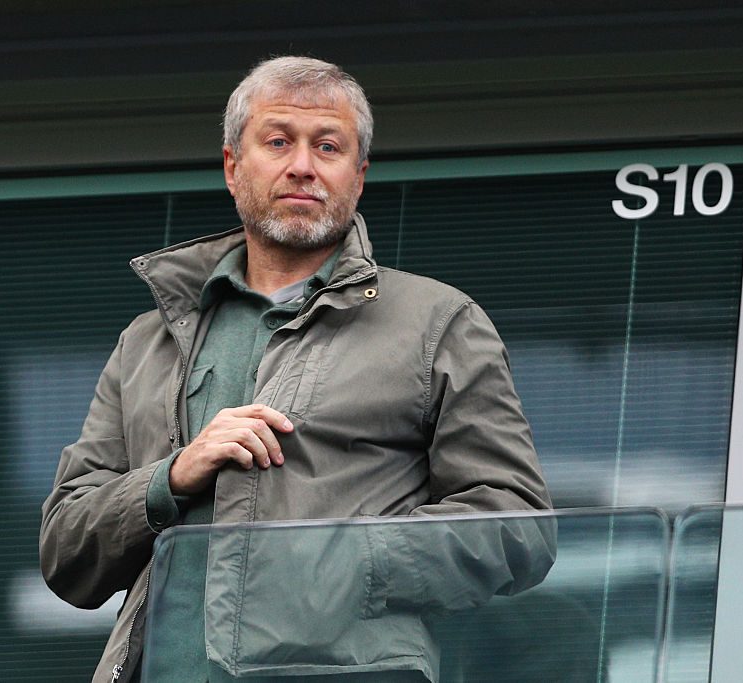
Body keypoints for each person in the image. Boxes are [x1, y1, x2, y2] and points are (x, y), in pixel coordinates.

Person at [40, 56, 554, 683]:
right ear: (233, 166)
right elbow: (66, 550)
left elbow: (516, 526)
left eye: (328, 146)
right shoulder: (149, 339)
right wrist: (171, 476)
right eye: (278, 141)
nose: (303, 166)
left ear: (358, 175)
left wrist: (347, 558)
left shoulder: (437, 322)